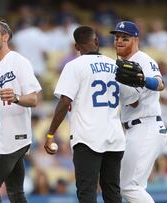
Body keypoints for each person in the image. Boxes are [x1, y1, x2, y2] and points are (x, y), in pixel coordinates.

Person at [44, 25, 140, 203]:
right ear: (97, 41)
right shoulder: (115, 65)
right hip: (114, 137)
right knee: (112, 192)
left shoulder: (74, 66)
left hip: (87, 138)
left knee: (86, 191)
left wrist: (50, 134)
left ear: (76, 47)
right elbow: (133, 101)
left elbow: (65, 102)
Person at [0, 20, 41, 203]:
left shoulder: (19, 62)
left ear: (5, 37)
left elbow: (34, 99)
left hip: (13, 135)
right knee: (15, 192)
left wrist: (16, 98)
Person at [110, 21, 167, 203]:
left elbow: (160, 84)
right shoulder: (121, 63)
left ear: (136, 39)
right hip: (135, 127)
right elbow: (132, 102)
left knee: (129, 187)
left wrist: (144, 80)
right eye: (117, 37)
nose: (119, 41)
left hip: (146, 125)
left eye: (124, 38)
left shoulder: (143, 59)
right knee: (130, 186)